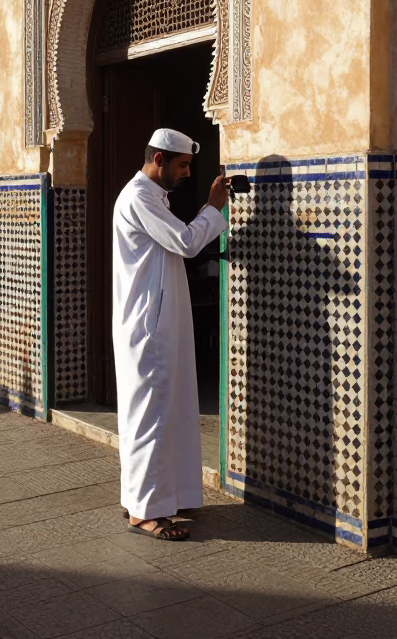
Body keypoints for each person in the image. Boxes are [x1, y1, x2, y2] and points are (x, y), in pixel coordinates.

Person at [112, 128, 229, 541]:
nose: (185, 173)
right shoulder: (140, 196)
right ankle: (144, 513)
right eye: (181, 165)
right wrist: (213, 209)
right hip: (149, 328)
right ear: (158, 159)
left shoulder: (152, 197)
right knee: (150, 417)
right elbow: (185, 242)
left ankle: (157, 496)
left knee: (165, 413)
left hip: (157, 324)